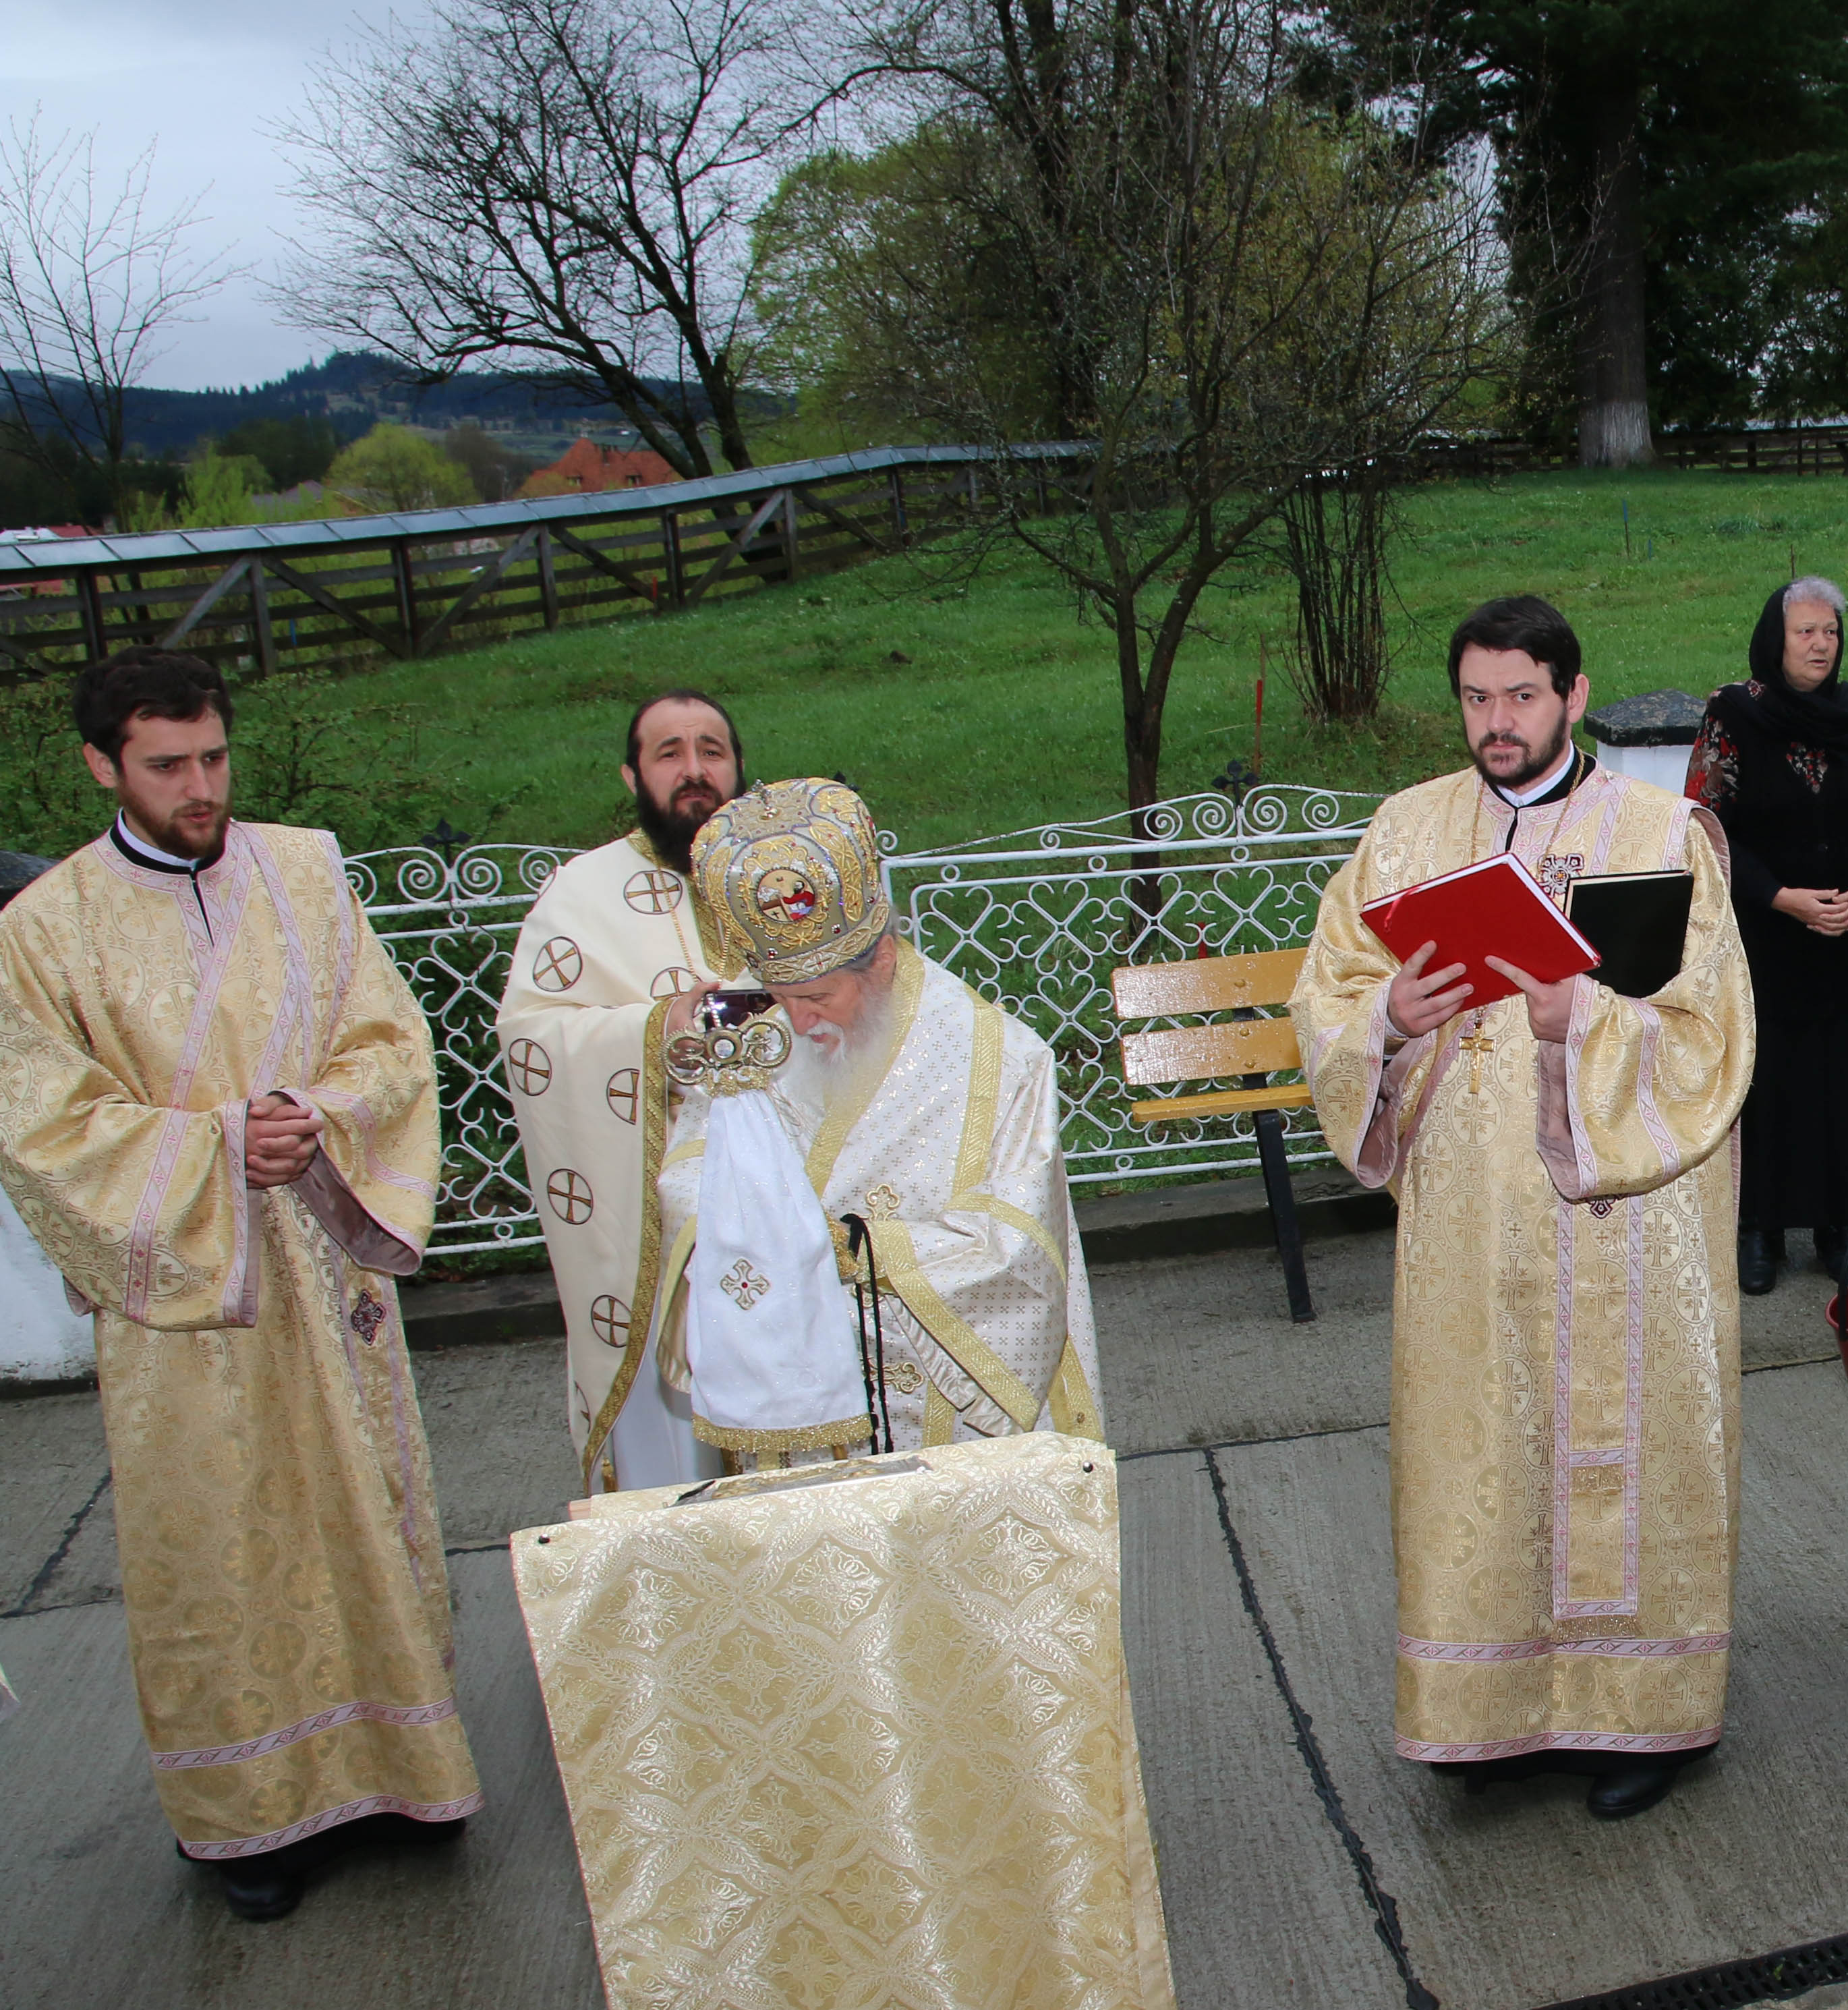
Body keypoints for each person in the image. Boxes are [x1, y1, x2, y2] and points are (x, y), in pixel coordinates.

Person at [0, 650, 480, 1920]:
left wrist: (313, 1117)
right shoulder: (43, 931)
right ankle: (249, 1822)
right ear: (104, 764)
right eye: (167, 766)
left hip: (322, 1262)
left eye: (213, 758)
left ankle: (399, 1768)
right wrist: (220, 1144)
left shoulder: (306, 870)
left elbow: (389, 1037)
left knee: (363, 1513)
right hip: (186, 1305)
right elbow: (41, 1125)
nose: (199, 787)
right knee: (220, 1540)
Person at [1292, 596, 1752, 1820]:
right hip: (1466, 1218)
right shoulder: (1405, 832)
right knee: (1477, 1447)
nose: (1496, 722)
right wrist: (1393, 1017)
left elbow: (1715, 1032)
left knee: (1630, 1449)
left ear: (1573, 696)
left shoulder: (1662, 834)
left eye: (1520, 697)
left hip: (1628, 1218)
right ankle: (1486, 1714)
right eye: (1475, 699)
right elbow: (1329, 994)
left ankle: (1641, 1722)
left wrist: (1582, 1018)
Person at [591, 778, 1101, 1473]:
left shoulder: (1002, 1060)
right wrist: (765, 1232)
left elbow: (1017, 1247)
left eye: (817, 996)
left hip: (954, 1407)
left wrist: (860, 1251)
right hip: (802, 1397)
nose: (795, 1022)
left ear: (881, 961)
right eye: (779, 996)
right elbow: (685, 1176)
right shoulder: (752, 1053)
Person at [496, 689, 745, 1492]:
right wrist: (655, 1028)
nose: (695, 770)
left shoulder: (783, 879)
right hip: (654, 1231)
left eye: (712, 749)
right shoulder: (583, 895)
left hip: (790, 1213)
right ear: (633, 774)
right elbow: (531, 1038)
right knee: (678, 1480)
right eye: (669, 753)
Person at [1690, 577, 1848, 1294]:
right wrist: (1783, 898)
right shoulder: (1734, 714)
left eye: (1831, 632)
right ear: (1774, 639)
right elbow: (1707, 822)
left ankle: (1834, 1226)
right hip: (1765, 933)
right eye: (1806, 632)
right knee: (1770, 1079)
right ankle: (1759, 1230)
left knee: (1844, 1077)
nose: (1822, 644)